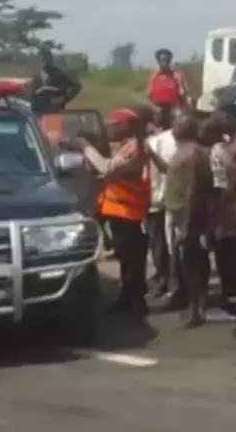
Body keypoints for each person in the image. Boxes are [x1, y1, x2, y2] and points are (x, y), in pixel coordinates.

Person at [76, 107, 151, 316]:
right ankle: (128, 301)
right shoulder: (127, 146)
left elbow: (108, 168)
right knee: (127, 260)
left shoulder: (134, 148)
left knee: (132, 262)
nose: (111, 128)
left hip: (129, 212)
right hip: (121, 211)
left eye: (115, 125)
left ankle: (135, 304)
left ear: (127, 126)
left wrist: (86, 148)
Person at [162, 114, 211, 327]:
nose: (173, 129)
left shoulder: (192, 154)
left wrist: (185, 225)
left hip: (188, 216)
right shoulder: (186, 151)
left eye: (177, 125)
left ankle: (195, 309)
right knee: (190, 261)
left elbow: (192, 190)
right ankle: (196, 304)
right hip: (181, 214)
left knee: (192, 263)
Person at [203, 114, 236, 308]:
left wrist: (217, 214)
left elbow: (222, 186)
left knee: (225, 258)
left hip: (223, 211)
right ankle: (234, 296)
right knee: (230, 256)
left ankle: (230, 302)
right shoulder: (225, 151)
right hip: (231, 208)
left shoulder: (215, 153)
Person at [144, 107, 180, 302]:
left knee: (159, 243)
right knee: (168, 243)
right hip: (169, 197)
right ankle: (165, 279)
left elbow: (154, 173)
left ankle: (163, 280)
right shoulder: (175, 139)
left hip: (156, 198)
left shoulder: (154, 142)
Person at [29, 49, 82, 115]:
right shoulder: (35, 77)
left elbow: (76, 86)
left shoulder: (57, 73)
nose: (45, 61)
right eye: (43, 59)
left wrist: (63, 99)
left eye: (47, 59)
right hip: (37, 113)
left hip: (54, 113)